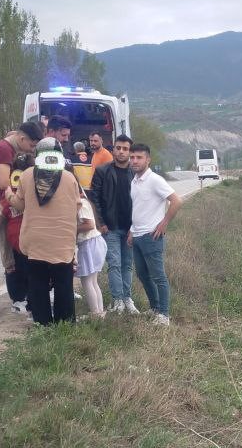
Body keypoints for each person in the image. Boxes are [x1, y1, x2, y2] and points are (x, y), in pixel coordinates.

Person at [9, 137, 80, 325]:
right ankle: (64, 323)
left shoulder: (26, 176)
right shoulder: (69, 177)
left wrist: (8, 193)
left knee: (38, 284)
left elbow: (19, 204)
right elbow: (78, 206)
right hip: (62, 241)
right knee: (63, 284)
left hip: (35, 240)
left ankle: (43, 323)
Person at [0, 122, 42, 312]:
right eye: (32, 145)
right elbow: (4, 182)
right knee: (15, 256)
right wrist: (19, 195)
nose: (32, 149)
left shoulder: (7, 147)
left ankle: (25, 295)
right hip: (11, 207)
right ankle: (18, 297)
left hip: (14, 204)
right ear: (21, 139)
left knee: (23, 255)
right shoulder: (5, 149)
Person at [128, 143, 181, 326]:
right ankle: (155, 308)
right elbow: (138, 208)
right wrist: (131, 231)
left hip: (152, 237)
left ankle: (164, 315)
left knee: (158, 276)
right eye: (132, 157)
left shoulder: (155, 180)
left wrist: (164, 223)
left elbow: (176, 201)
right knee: (142, 275)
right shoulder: (134, 181)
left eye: (139, 157)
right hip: (137, 236)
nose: (134, 160)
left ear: (148, 160)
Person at [88, 133, 138, 314]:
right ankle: (117, 300)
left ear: (130, 152)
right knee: (114, 264)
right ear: (113, 149)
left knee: (127, 264)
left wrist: (137, 226)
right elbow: (95, 199)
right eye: (119, 148)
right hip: (110, 226)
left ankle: (127, 298)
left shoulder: (135, 172)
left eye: (126, 149)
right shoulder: (102, 171)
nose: (122, 152)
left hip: (131, 227)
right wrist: (100, 223)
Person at [74, 187, 108, 318]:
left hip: (89, 243)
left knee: (87, 281)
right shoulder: (85, 202)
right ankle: (99, 312)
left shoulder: (81, 204)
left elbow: (89, 225)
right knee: (93, 281)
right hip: (94, 242)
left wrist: (72, 228)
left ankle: (95, 312)